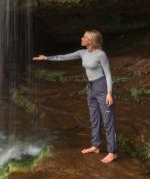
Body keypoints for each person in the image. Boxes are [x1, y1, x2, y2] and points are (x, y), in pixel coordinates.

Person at [33, 30, 118, 163]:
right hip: (91, 87)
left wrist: (109, 93)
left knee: (108, 120)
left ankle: (112, 152)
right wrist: (46, 58)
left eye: (84, 37)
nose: (81, 38)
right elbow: (63, 57)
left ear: (90, 41)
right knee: (94, 117)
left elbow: (107, 73)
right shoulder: (82, 53)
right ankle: (95, 146)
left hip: (102, 87)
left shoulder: (101, 54)